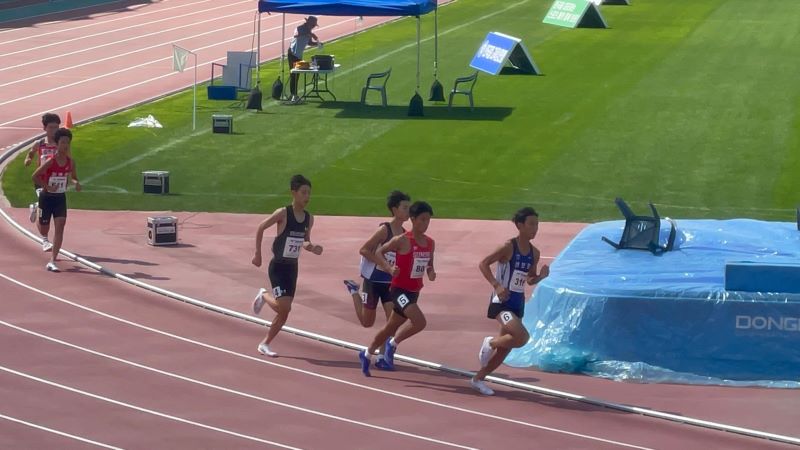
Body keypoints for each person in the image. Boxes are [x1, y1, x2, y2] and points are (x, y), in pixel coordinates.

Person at [470, 207, 550, 396]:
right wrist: (496, 285)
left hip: (518, 302)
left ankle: (478, 379)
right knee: (521, 337)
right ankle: (491, 342)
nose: (535, 228)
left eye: (537, 224)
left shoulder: (534, 253)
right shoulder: (508, 247)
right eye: (531, 224)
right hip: (502, 302)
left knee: (507, 348)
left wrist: (540, 277)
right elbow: (483, 263)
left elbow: (529, 279)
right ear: (520, 226)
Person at [358, 201, 435, 377]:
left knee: (388, 328)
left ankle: (367, 353)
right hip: (399, 290)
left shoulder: (430, 243)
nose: (425, 224)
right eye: (422, 220)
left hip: (415, 291)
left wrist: (431, 272)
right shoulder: (401, 240)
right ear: (413, 220)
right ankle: (392, 345)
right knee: (420, 322)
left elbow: (429, 265)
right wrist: (388, 268)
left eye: (428, 220)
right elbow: (378, 252)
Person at [251, 174, 323, 357]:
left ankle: (265, 343)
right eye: (303, 193)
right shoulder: (283, 213)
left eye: (309, 193)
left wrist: (312, 247)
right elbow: (261, 227)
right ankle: (263, 294)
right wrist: (257, 254)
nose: (307, 197)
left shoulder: (309, 218)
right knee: (284, 308)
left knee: (284, 313)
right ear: (294, 193)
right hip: (278, 267)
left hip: (292, 268)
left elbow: (304, 241)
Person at [343, 190, 410, 368]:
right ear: (394, 210)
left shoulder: (404, 234)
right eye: (404, 207)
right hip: (373, 280)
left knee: (391, 322)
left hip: (389, 284)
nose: (408, 211)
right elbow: (364, 250)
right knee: (367, 322)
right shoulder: (384, 230)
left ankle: (382, 358)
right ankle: (353, 291)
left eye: (409, 208)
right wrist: (386, 265)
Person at [31, 127, 80, 272]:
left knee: (60, 227)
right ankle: (35, 208)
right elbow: (35, 177)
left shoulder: (71, 163)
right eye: (63, 142)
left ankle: (52, 260)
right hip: (46, 198)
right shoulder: (50, 162)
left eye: (68, 143)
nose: (65, 146)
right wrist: (46, 186)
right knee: (44, 229)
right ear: (57, 144)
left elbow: (74, 178)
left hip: (60, 198)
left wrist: (76, 183)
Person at [24, 113, 61, 251]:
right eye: (51, 127)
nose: (54, 130)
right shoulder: (39, 143)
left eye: (56, 127)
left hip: (56, 181)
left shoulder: (61, 144)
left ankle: (35, 206)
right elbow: (31, 152)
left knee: (52, 210)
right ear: (45, 128)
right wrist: (28, 159)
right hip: (41, 180)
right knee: (44, 209)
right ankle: (45, 240)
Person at [286, 16, 321, 103]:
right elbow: (296, 35)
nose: (313, 27)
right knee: (294, 74)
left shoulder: (309, 31)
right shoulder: (300, 28)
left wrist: (318, 44)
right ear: (308, 23)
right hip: (292, 53)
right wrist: (309, 34)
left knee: (297, 75)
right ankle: (293, 95)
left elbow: (309, 42)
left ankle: (294, 94)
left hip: (298, 55)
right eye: (313, 25)